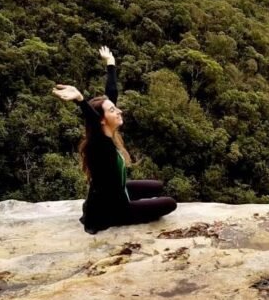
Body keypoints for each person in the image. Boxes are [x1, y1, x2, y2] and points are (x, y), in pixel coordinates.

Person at [53, 46, 177, 234]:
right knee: (170, 203)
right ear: (101, 120)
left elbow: (111, 95)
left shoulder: (106, 133)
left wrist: (111, 64)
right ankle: (126, 210)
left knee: (157, 186)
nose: (118, 111)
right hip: (111, 211)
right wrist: (80, 100)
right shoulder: (99, 145)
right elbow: (93, 118)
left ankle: (131, 200)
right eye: (112, 111)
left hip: (118, 192)